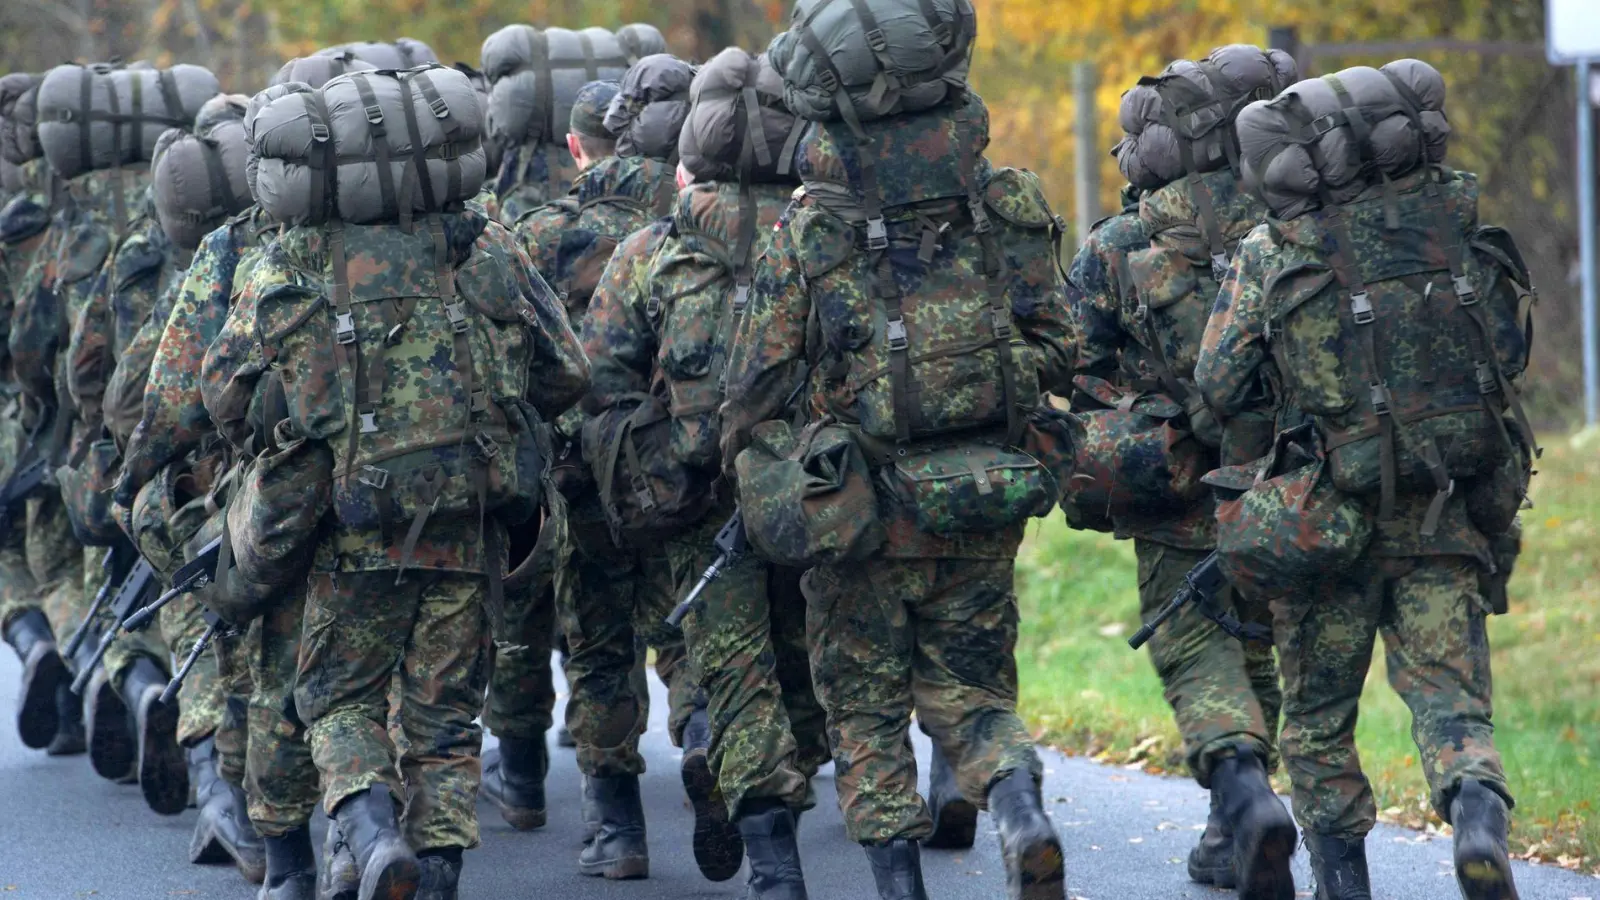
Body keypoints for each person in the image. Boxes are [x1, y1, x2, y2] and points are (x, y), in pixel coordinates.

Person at [211, 64, 590, 900]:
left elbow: (223, 392)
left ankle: (373, 831)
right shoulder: (482, 245)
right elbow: (569, 369)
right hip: (472, 518)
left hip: (347, 531)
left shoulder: (291, 255)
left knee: (339, 700)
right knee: (446, 719)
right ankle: (439, 876)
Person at [719, 84, 1072, 898]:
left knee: (867, 713)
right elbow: (1060, 347)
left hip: (861, 512)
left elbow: (758, 378)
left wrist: (756, 461)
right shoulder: (1006, 201)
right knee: (975, 692)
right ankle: (1021, 815)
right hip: (984, 499)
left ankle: (900, 887)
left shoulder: (814, 225)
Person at [1197, 60, 1530, 900]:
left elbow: (1220, 381)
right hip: (1446, 511)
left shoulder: (1275, 249)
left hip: (1327, 520)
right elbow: (1508, 350)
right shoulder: (1452, 227)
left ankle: (1343, 884)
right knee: (1451, 701)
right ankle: (1478, 819)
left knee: (1316, 721)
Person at [581, 47, 829, 895]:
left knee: (736, 677)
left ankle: (773, 861)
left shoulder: (651, 252)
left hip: (700, 510)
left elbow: (602, 380)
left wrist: (657, 468)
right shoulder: (826, 239)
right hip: (818, 497)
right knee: (806, 680)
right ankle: (772, 847)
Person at [1066, 46, 1297, 896]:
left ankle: (1239, 790)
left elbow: (1075, 365)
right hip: (1284, 485)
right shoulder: (1295, 218)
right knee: (1261, 640)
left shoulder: (1123, 239)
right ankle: (1233, 826)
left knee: (1193, 643)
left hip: (1175, 487)